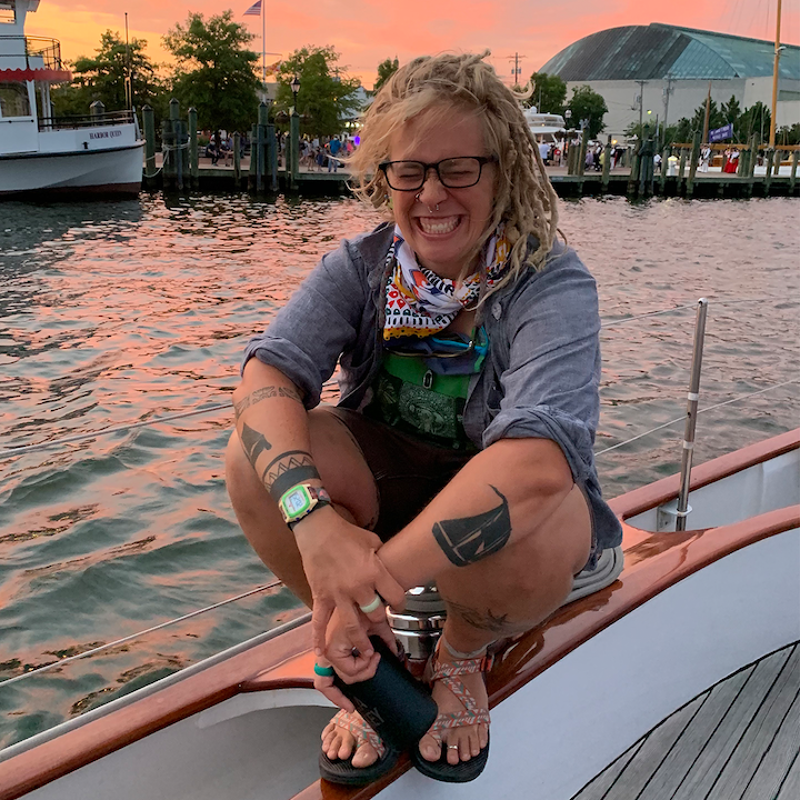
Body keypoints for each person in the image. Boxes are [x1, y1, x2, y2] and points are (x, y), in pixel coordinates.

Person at [226, 51, 622, 786]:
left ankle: (462, 650)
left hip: (496, 522)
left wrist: (369, 579)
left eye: (458, 168)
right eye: (408, 171)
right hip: (392, 498)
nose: (431, 193)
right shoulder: (362, 265)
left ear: (503, 170)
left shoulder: (550, 283)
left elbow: (539, 460)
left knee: (531, 512)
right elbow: (267, 373)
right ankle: (380, 651)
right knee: (254, 462)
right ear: (385, 180)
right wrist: (315, 529)